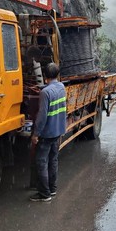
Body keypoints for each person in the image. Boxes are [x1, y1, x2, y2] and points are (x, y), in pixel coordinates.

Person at [30, 62, 67, 202]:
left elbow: (42, 116)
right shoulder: (61, 87)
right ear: (57, 75)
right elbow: (63, 109)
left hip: (46, 134)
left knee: (41, 162)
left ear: (45, 76)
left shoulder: (45, 93)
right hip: (57, 131)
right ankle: (52, 189)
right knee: (53, 161)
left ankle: (44, 194)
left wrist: (35, 134)